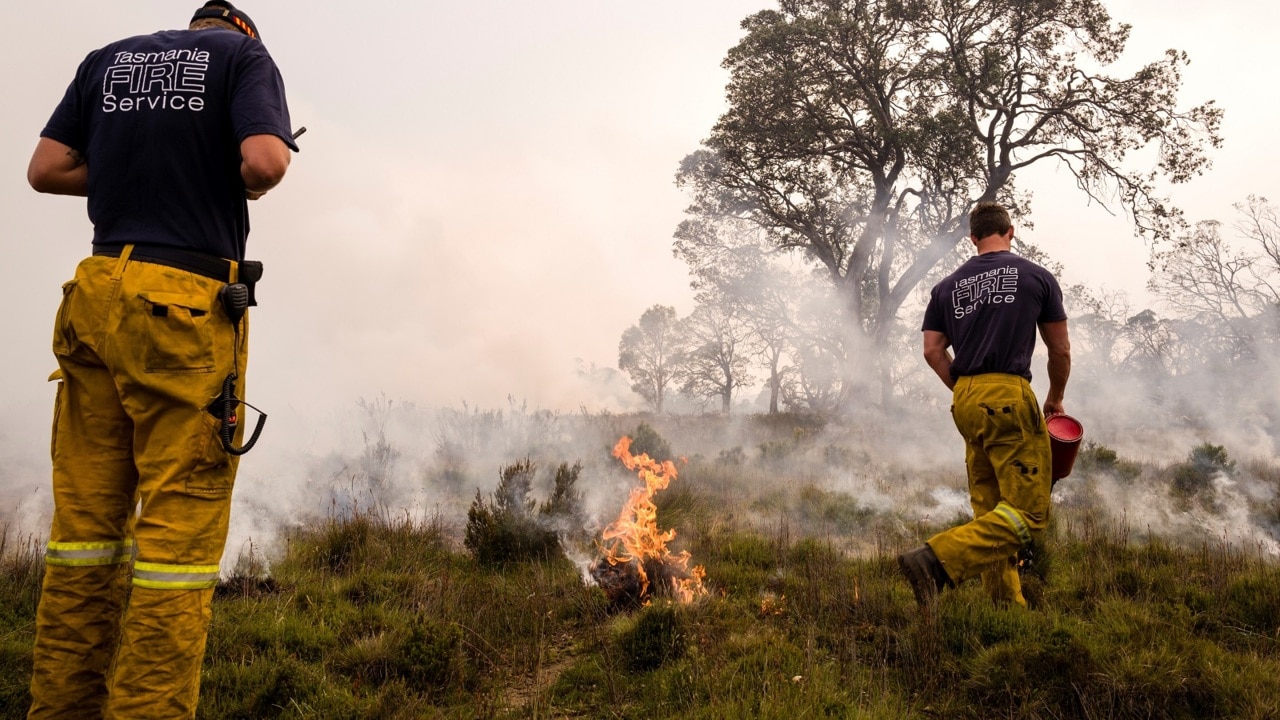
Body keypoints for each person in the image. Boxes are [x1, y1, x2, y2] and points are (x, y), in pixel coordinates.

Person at [25, 2, 295, 716]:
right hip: (180, 308)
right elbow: (264, 160)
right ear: (242, 33)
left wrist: (121, 174)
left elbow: (45, 170)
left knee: (84, 535)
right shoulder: (245, 61)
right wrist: (231, 169)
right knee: (177, 544)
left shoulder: (106, 58)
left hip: (96, 295)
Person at [897, 201, 1071, 609]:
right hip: (1009, 393)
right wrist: (1055, 396)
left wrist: (962, 389)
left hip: (966, 398)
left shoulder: (946, 287)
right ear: (1011, 231)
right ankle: (937, 560)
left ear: (972, 238)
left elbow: (932, 351)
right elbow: (1059, 349)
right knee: (1028, 514)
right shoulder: (1035, 277)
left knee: (992, 510)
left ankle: (1006, 609)